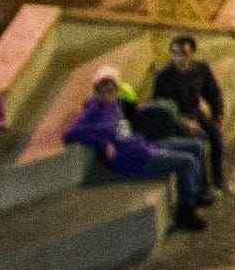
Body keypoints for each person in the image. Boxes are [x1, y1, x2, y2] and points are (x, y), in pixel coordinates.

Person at [64, 70, 211, 229]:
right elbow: (71, 134)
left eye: (112, 88)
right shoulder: (95, 111)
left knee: (195, 146)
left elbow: (124, 127)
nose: (109, 92)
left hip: (142, 146)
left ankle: (195, 192)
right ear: (97, 91)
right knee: (187, 162)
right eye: (104, 89)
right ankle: (186, 212)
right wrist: (103, 143)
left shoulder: (114, 104)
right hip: (133, 158)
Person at [148, 31, 232, 191]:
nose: (179, 58)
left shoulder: (201, 69)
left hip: (196, 112)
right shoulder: (163, 75)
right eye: (174, 53)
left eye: (183, 53)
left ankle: (219, 179)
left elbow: (213, 92)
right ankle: (203, 188)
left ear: (191, 54)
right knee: (197, 142)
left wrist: (218, 115)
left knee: (216, 138)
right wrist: (183, 122)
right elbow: (160, 106)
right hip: (177, 118)